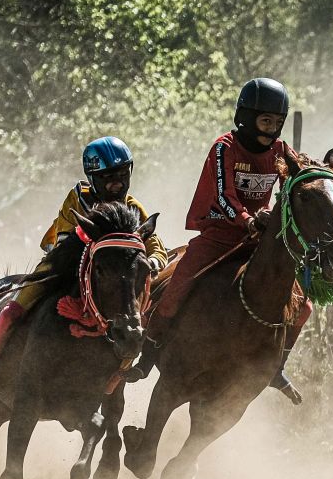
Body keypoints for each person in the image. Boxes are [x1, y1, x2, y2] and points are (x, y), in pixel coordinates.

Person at [127, 77, 311, 404]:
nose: (271, 128)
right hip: (219, 233)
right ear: (246, 116)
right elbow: (223, 197)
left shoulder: (282, 151)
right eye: (265, 120)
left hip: (260, 238)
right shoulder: (225, 147)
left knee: (304, 306)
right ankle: (149, 356)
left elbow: (298, 181)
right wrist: (249, 219)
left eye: (277, 122)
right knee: (177, 286)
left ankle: (276, 367)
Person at [0, 137, 167, 404]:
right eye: (108, 177)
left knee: (136, 324)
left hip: (109, 281)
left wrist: (154, 262)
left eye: (122, 174)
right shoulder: (77, 198)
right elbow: (65, 246)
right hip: (62, 270)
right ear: (93, 177)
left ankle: (112, 386)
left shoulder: (134, 207)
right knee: (11, 312)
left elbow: (155, 245)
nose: (117, 183)